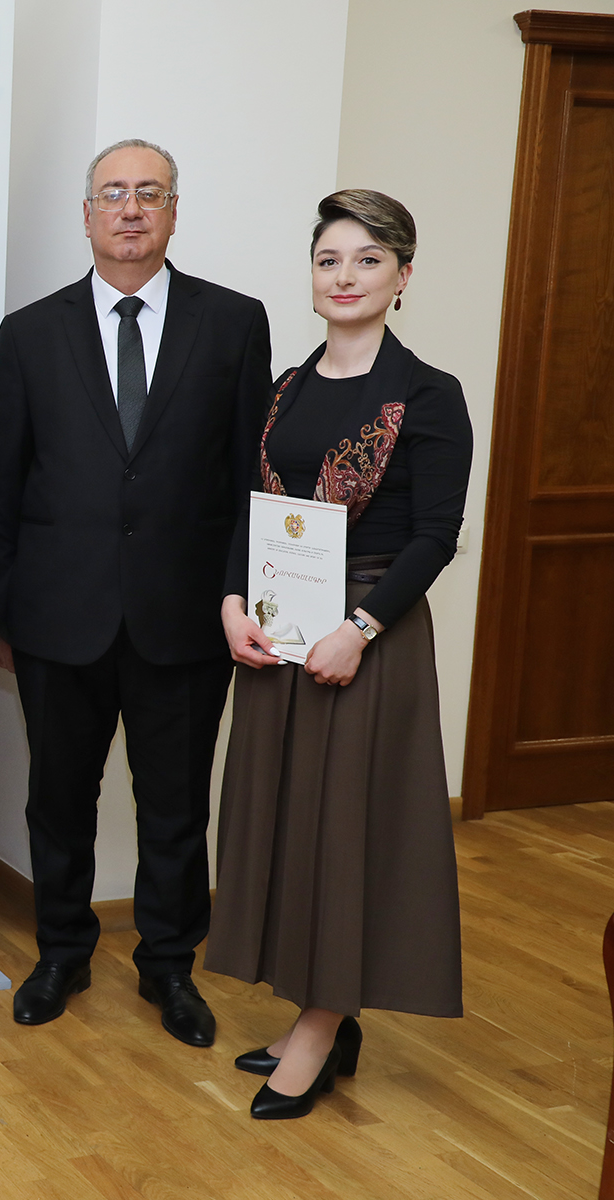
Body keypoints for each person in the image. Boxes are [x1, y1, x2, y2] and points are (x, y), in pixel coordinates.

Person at [0, 138, 272, 1047]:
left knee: (177, 807)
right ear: (87, 215)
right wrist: (0, 616)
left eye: (151, 193)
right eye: (113, 193)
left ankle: (169, 967)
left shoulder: (234, 323)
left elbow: (250, 480)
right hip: (57, 618)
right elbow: (0, 484)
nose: (132, 209)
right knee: (58, 802)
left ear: (175, 211)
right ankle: (61, 953)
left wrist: (240, 598)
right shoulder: (31, 332)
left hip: (186, 619)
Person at [206, 190, 469, 1120]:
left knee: (345, 829)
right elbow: (254, 507)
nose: (345, 277)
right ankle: (319, 1010)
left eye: (367, 259)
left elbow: (436, 537)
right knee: (288, 822)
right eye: (329, 260)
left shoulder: (429, 393)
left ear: (403, 275)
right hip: (281, 632)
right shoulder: (287, 386)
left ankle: (322, 1025)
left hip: (369, 638)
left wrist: (358, 631)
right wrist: (232, 602)